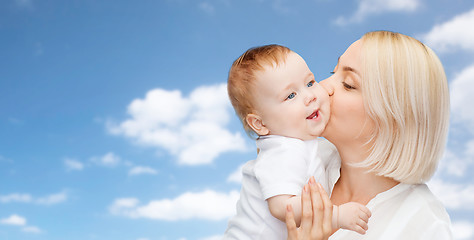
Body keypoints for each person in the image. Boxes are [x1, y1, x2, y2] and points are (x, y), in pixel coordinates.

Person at [286, 30, 453, 240]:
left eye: (348, 84)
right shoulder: (301, 161)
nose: (322, 87)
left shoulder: (423, 224)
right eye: (332, 72)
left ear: (395, 120)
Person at [224, 44, 371, 240]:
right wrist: (336, 216)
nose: (310, 97)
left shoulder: (304, 146)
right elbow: (281, 206)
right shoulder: (284, 150)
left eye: (310, 83)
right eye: (291, 95)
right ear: (259, 124)